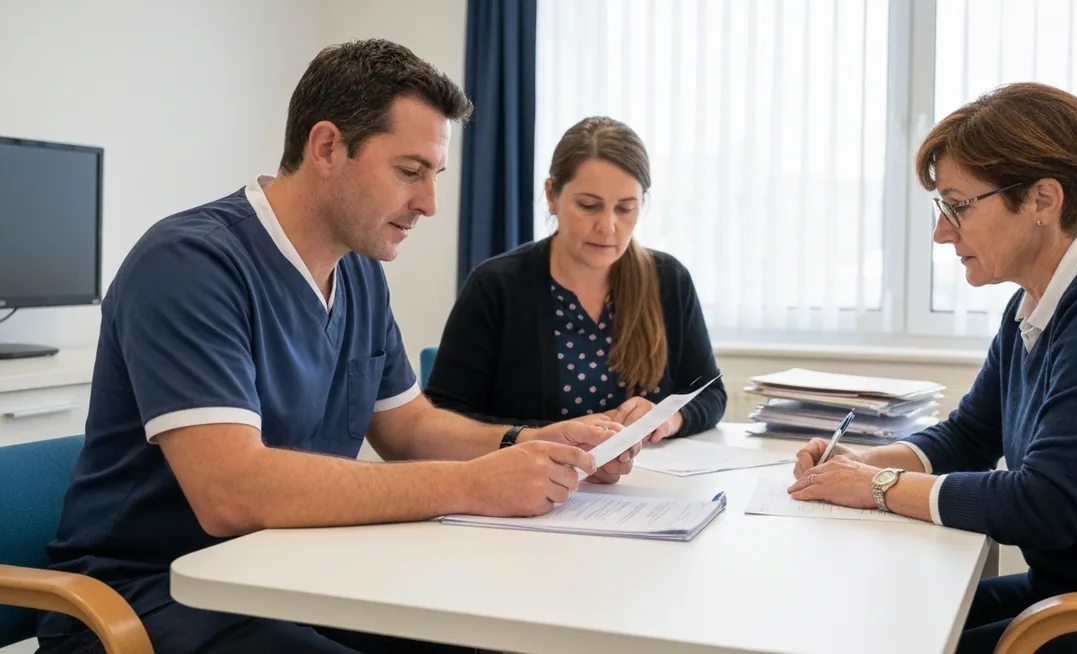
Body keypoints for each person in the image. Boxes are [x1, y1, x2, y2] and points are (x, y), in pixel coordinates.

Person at [36, 40, 638, 654]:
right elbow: (230, 492)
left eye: (435, 176)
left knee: (503, 638)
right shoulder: (190, 264)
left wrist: (529, 442)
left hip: (293, 578)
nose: (429, 203)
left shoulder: (358, 272)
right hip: (152, 598)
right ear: (327, 147)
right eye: (409, 171)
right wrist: (476, 484)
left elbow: (407, 427)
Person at [789, 82, 1077, 654]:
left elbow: (1048, 506)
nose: (941, 231)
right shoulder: (1033, 303)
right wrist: (862, 462)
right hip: (1075, 593)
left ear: (1042, 200)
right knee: (868, 623)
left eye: (958, 205)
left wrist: (878, 488)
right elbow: (970, 435)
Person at [425, 116, 725, 443]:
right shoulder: (497, 286)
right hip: (527, 484)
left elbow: (711, 394)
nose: (608, 226)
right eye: (588, 206)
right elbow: (443, 417)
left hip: (645, 487)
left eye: (625, 209)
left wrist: (668, 420)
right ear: (552, 195)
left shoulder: (669, 280)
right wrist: (541, 437)